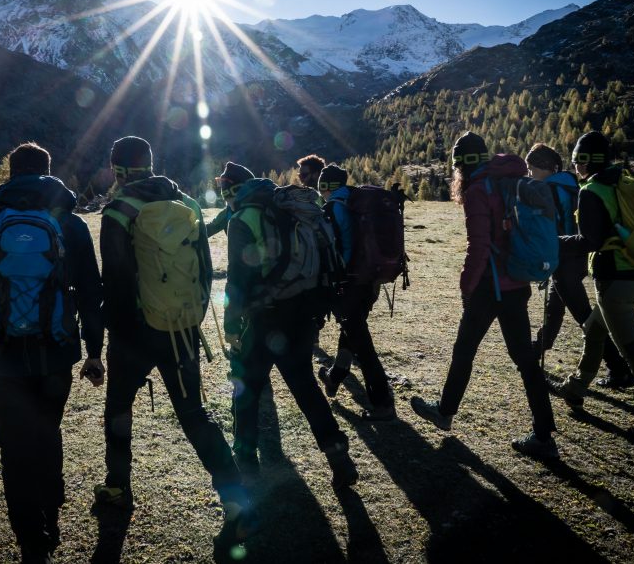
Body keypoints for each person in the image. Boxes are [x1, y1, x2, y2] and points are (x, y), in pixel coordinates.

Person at [0, 142, 104, 562]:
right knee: (48, 431)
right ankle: (51, 515)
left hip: (1, 358)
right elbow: (91, 292)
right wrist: (93, 350)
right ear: (47, 172)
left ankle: (31, 539)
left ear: (10, 174)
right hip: (56, 353)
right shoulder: (70, 224)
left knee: (14, 447)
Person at [94, 137, 252, 547]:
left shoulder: (119, 210)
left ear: (117, 170)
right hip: (180, 327)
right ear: (150, 163)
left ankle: (117, 486)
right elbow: (204, 267)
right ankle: (234, 499)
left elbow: (115, 278)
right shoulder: (187, 204)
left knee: (118, 410)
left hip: (133, 333)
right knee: (193, 414)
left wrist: (118, 331)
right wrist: (190, 316)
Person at [410, 132, 558, 460]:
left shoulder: (478, 190)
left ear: (461, 164)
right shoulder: (508, 181)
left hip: (490, 287)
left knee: (464, 350)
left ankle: (445, 412)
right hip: (517, 282)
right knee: (525, 359)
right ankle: (544, 435)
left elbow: (478, 246)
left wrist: (466, 287)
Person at [223, 164, 359, 488]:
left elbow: (238, 277)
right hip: (302, 313)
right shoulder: (287, 209)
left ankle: (246, 464)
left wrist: (231, 323)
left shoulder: (243, 219)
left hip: (265, 318)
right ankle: (339, 457)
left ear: (233, 194)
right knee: (305, 387)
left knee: (246, 390)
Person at [550, 132, 634, 443]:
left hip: (614, 282)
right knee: (594, 330)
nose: (575, 166)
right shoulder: (619, 183)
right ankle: (575, 387)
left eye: (578, 160)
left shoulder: (592, 191)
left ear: (588, 161)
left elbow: (590, 241)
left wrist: (554, 242)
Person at [525, 144, 633, 387]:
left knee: (585, 318)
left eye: (531, 169)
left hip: (563, 259)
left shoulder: (547, 189)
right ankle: (533, 352)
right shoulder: (574, 184)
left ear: (547, 168)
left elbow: (547, 230)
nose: (529, 174)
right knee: (554, 308)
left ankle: (619, 369)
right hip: (582, 257)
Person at [315, 164, 398, 421]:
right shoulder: (355, 200)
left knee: (362, 343)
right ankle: (335, 376)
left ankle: (383, 402)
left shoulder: (333, 208)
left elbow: (335, 250)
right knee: (352, 332)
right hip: (369, 280)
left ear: (325, 187)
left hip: (348, 283)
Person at [205, 163, 254, 239]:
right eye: (227, 201)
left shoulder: (263, 209)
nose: (229, 205)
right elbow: (211, 228)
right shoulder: (228, 212)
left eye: (231, 201)